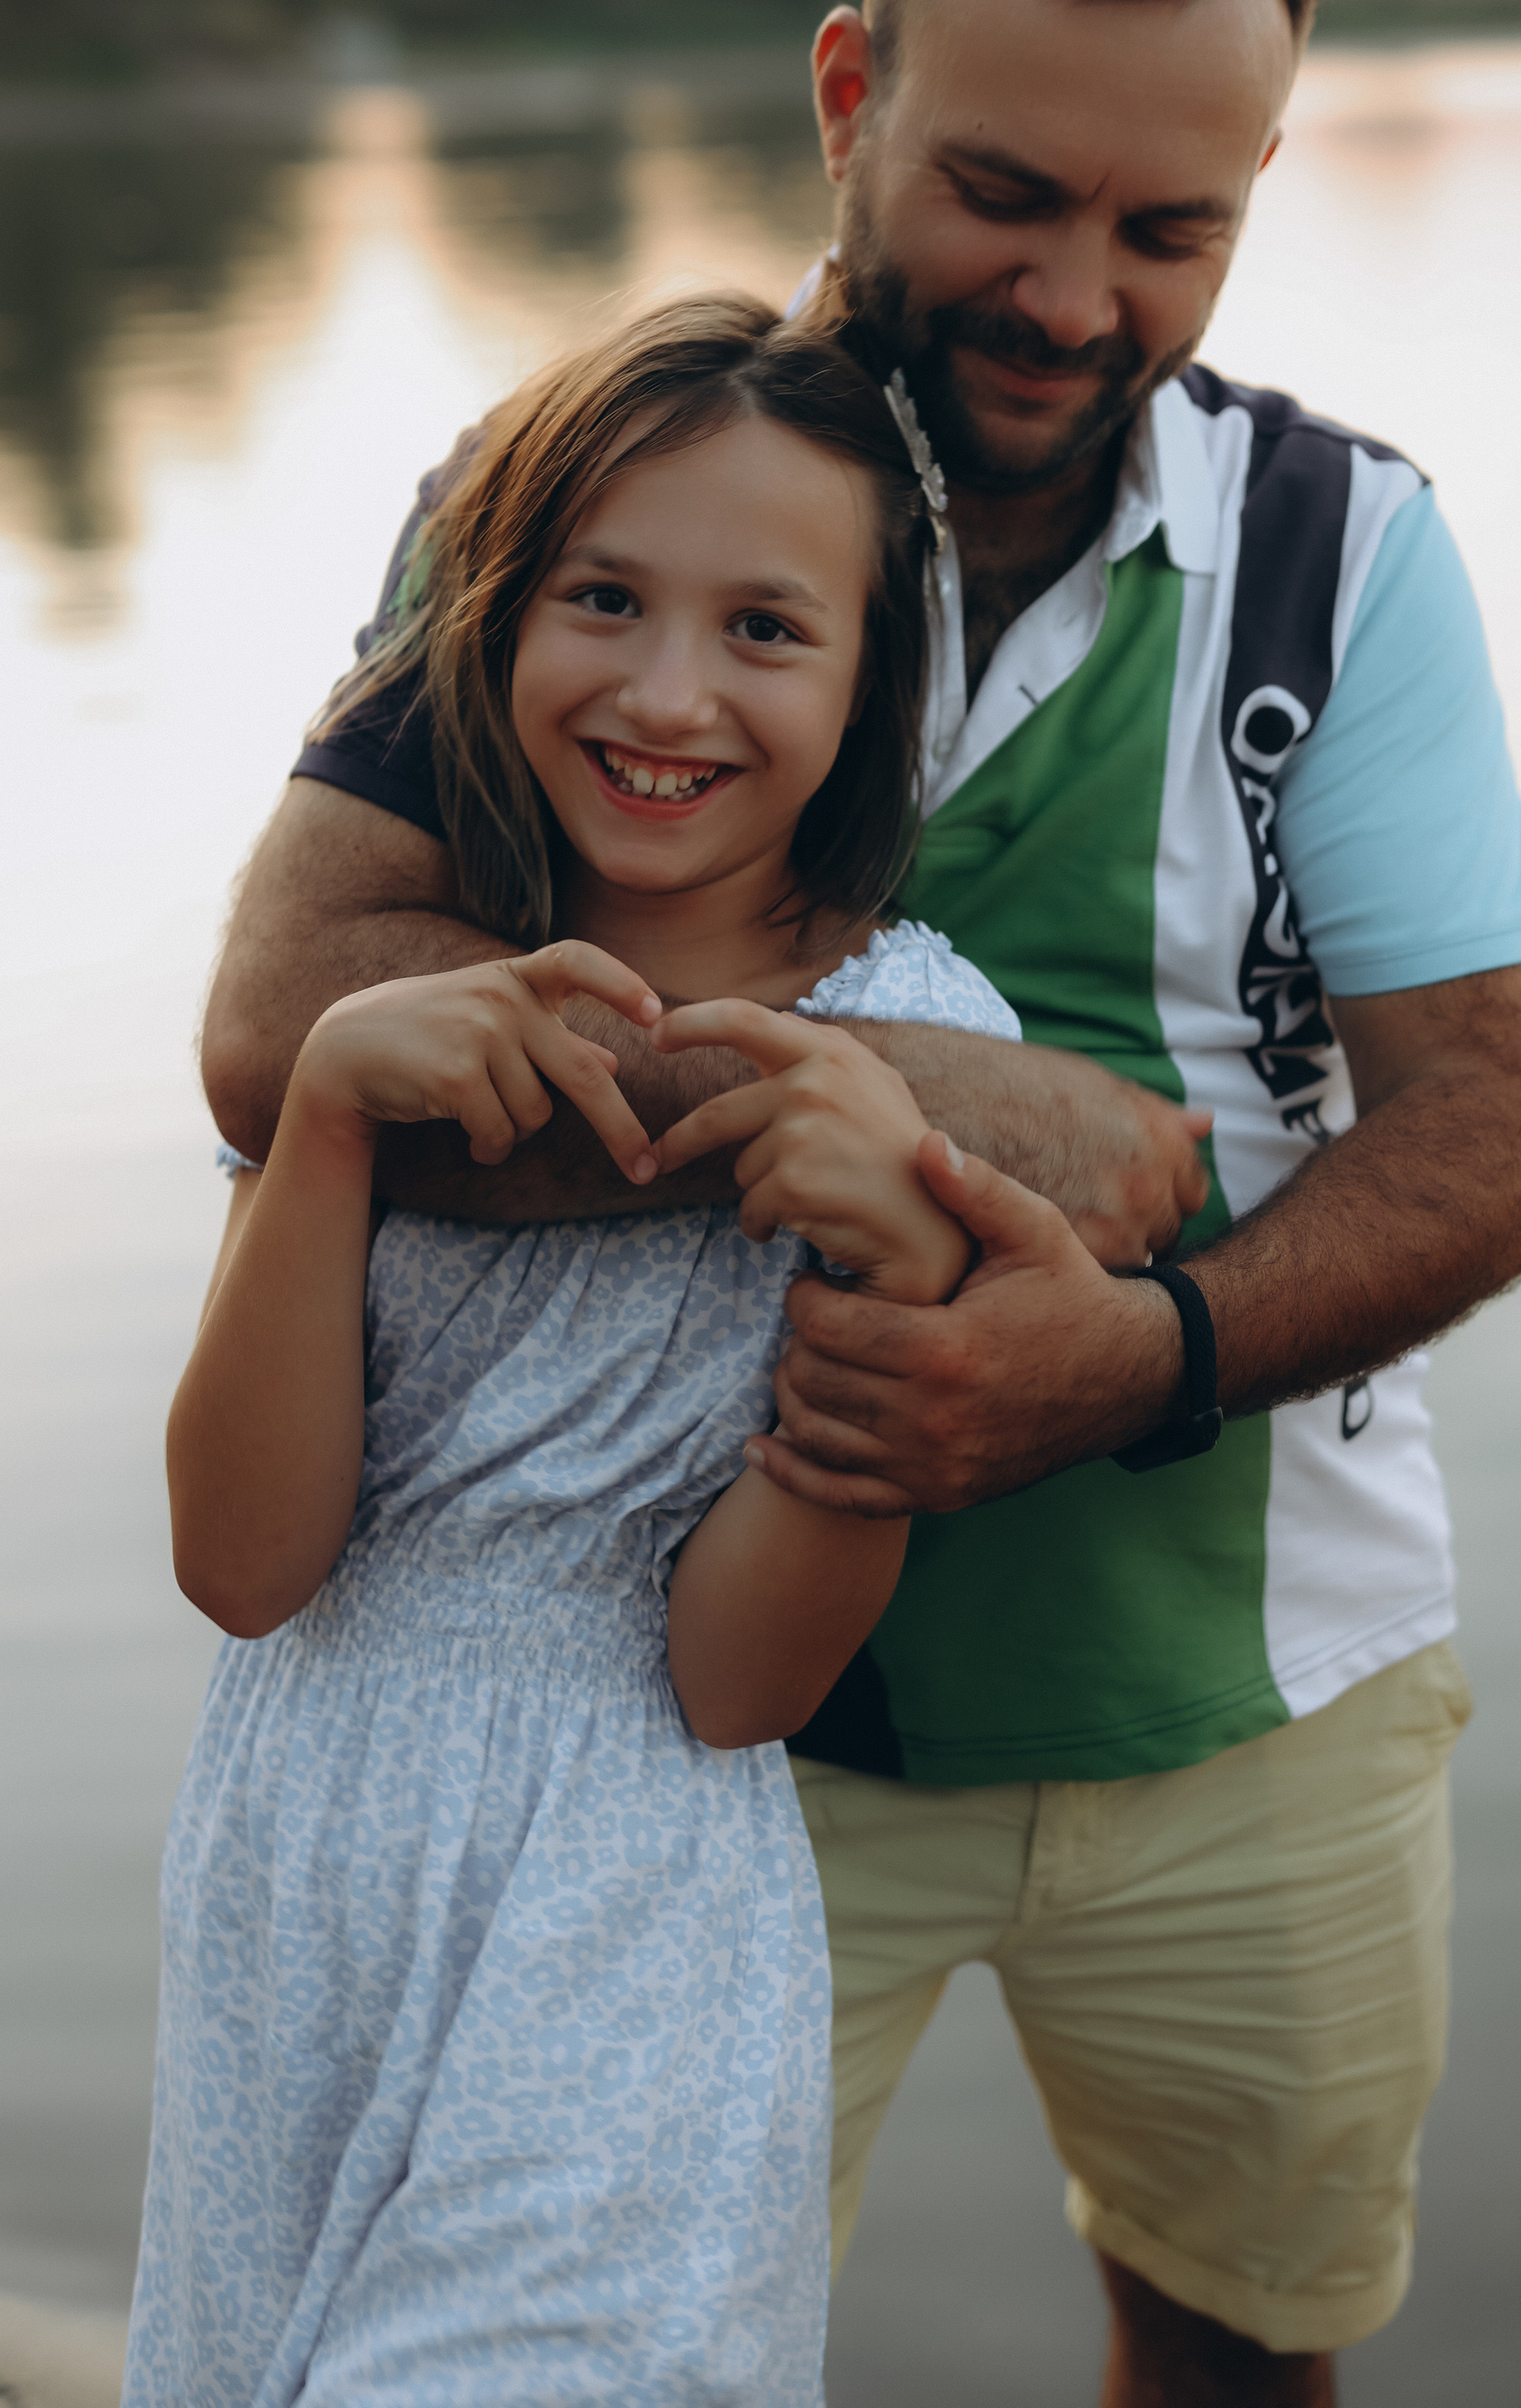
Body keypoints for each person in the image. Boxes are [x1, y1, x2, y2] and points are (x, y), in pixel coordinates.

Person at [202, 0, 1521, 2405]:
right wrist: (983, 1127)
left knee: (1237, 2348)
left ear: (1258, 186)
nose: (1074, 297)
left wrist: (1134, 1350)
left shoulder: (1352, 556)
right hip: (664, 1728)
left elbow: (1484, 1134)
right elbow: (298, 1023)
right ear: (847, 97)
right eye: (1005, 192)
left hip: (1253, 1698)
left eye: (1172, 230)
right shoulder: (593, 494)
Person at [123, 295, 1031, 2407]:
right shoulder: (384, 1010)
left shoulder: (926, 1045)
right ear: (496, 623)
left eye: (765, 630)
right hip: (297, 1858)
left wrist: (892, 1281)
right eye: (603, 600)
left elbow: (740, 1686)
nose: (667, 691)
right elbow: (246, 1564)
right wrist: (329, 1121)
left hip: (628, 1891)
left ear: (871, 676)